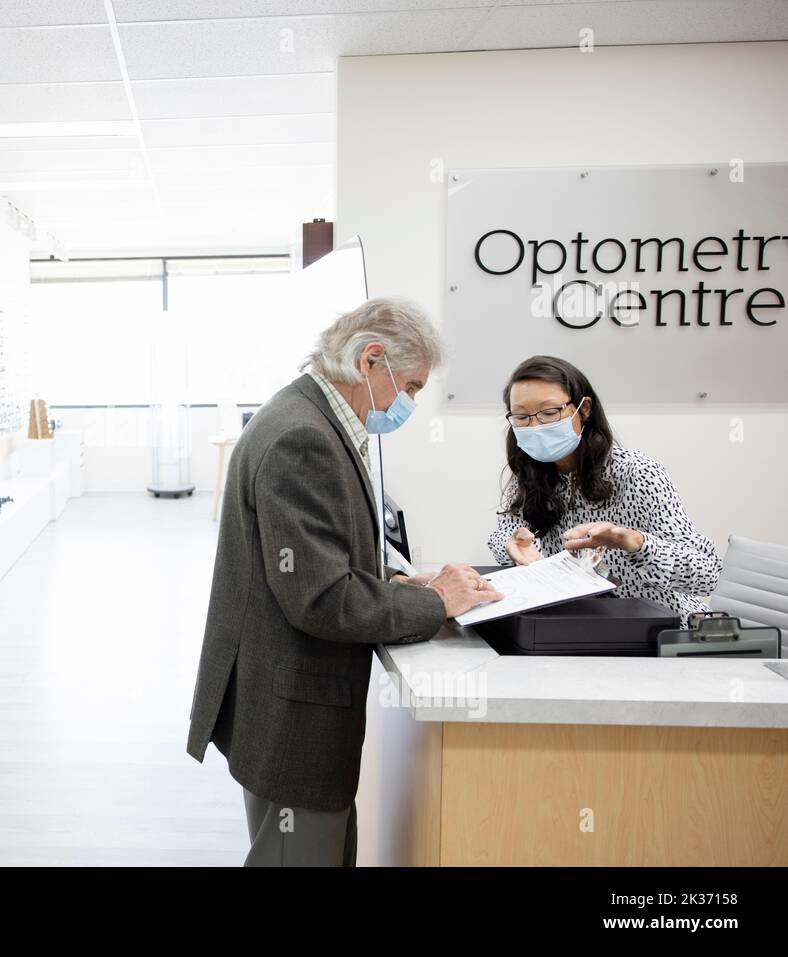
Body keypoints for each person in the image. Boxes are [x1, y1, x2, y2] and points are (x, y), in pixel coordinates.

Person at [185, 297, 501, 867]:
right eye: (411, 386)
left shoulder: (307, 415)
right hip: (292, 714)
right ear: (371, 360)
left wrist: (402, 581)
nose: (409, 403)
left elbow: (320, 555)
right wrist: (433, 601)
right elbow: (322, 598)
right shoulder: (300, 437)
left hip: (285, 702)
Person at [486, 355, 721, 618]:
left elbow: (707, 575)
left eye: (549, 412)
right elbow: (505, 535)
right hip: (579, 626)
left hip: (655, 628)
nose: (535, 425)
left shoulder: (637, 472)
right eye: (521, 417)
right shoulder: (528, 476)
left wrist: (636, 543)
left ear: (584, 409)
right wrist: (511, 544)